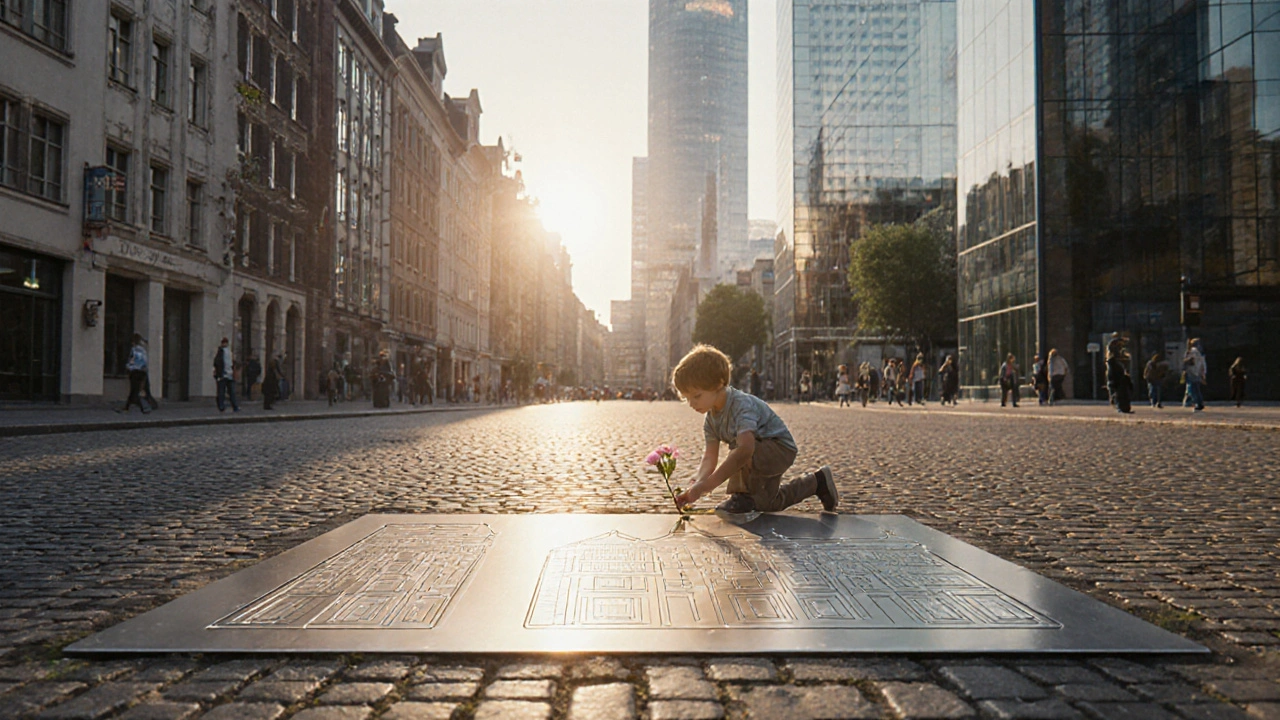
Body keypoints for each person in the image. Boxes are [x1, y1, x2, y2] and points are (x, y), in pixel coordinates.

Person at [670, 344, 838, 523]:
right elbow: (709, 457)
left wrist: (709, 485)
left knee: (739, 447)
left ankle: (741, 497)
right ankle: (818, 482)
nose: (691, 404)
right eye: (687, 398)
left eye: (696, 396)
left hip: (778, 448)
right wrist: (697, 485)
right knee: (767, 503)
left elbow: (745, 450)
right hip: (759, 455)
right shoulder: (711, 419)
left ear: (719, 384)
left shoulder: (740, 405)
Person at [118, 333, 151, 414]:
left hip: (136, 372)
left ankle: (142, 407)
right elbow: (144, 361)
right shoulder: (143, 350)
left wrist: (128, 366)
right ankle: (130, 407)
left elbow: (135, 361)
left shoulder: (135, 350)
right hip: (141, 372)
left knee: (134, 391)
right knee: (135, 391)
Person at [1105, 335, 1134, 414]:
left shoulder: (1115, 360)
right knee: (1118, 393)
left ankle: (1122, 406)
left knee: (1121, 393)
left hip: (1119, 379)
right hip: (1116, 380)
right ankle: (1121, 406)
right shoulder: (1113, 360)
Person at [213, 337, 240, 412]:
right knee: (223, 391)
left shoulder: (228, 352)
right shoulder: (221, 352)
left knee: (230, 392)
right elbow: (217, 363)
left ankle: (233, 406)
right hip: (224, 374)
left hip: (228, 374)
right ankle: (223, 406)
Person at [1182, 338, 1206, 411]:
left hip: (1192, 372)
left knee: (1193, 389)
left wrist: (1185, 363)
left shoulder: (1192, 351)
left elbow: (1189, 360)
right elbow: (1202, 363)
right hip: (1197, 372)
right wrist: (1203, 373)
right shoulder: (1200, 352)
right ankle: (1199, 402)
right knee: (1196, 388)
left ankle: (1198, 403)